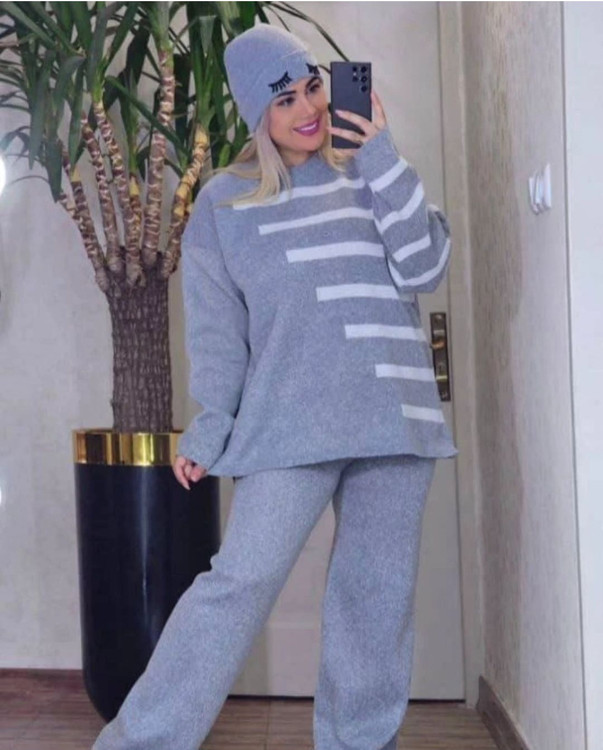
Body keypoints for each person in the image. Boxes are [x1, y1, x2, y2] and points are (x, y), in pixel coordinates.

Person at [92, 23, 458, 750]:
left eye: (312, 86)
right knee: (237, 585)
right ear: (256, 114)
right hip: (289, 421)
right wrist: (210, 427)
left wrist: (380, 154)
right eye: (283, 99)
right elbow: (218, 334)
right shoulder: (224, 204)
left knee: (375, 602)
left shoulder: (373, 170)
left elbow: (425, 268)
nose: (307, 109)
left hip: (394, 420)